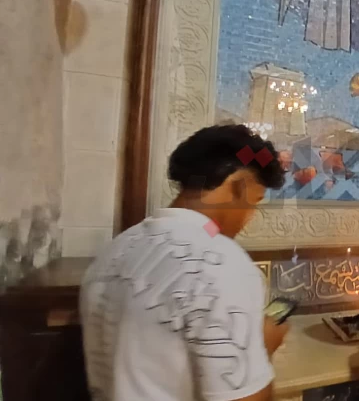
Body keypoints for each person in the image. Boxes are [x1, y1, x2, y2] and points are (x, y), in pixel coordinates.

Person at [80, 124, 289, 401]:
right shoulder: (221, 263)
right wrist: (264, 348)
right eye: (255, 202)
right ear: (239, 186)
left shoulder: (116, 250)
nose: (249, 217)